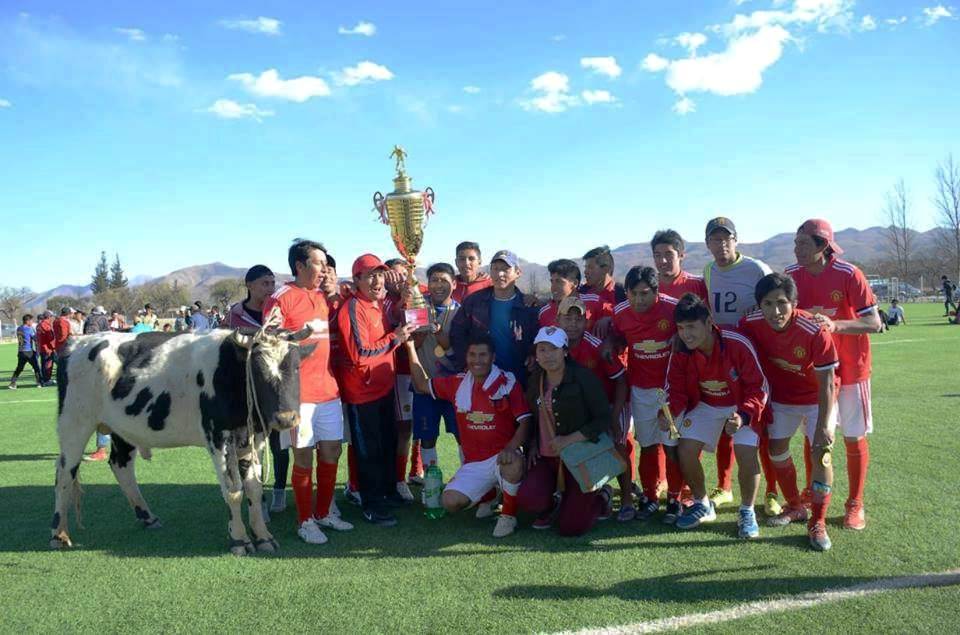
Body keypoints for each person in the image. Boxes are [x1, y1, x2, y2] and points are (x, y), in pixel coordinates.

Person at [787, 219, 881, 531]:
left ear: (822, 246)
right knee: (813, 436)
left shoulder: (849, 274)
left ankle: (855, 503)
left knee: (853, 436)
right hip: (813, 372)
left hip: (852, 369)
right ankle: (812, 491)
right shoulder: (790, 276)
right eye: (796, 242)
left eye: (803, 244)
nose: (796, 249)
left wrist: (835, 325)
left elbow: (874, 323)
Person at [739, 273, 839, 551]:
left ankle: (817, 522)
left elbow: (828, 383)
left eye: (782, 303)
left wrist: (822, 425)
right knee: (777, 450)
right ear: (759, 305)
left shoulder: (814, 330)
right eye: (768, 303)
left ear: (794, 303)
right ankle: (795, 505)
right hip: (782, 398)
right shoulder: (750, 323)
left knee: (822, 454)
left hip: (818, 398)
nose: (775, 311)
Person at [263, 241, 354, 544]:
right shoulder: (280, 299)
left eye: (327, 263)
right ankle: (305, 521)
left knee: (331, 451)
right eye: (318, 263)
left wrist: (334, 291)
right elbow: (269, 346)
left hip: (329, 391)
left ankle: (325, 511)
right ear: (299, 266)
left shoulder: (322, 296)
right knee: (303, 459)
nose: (324, 269)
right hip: (297, 396)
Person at [661, 294, 768, 539]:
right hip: (706, 404)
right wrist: (668, 413)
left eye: (691, 327)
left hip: (740, 405)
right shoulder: (680, 349)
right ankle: (702, 504)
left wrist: (743, 415)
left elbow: (759, 386)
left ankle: (747, 511)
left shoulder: (737, 342)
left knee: (745, 452)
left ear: (709, 323)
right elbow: (674, 389)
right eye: (680, 328)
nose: (686, 334)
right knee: (685, 449)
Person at [407, 333, 529, 537]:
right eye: (472, 355)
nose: (477, 360)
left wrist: (510, 448)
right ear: (466, 357)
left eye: (483, 355)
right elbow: (421, 384)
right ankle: (490, 495)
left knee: (514, 462)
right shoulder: (457, 383)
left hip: (502, 457)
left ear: (493, 358)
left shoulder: (508, 383)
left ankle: (508, 516)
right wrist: (410, 347)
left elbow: (526, 422)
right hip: (474, 463)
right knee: (450, 502)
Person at [701, 217, 779, 517]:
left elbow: (777, 298)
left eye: (726, 238)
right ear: (707, 243)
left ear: (736, 240)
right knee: (725, 422)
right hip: (724, 356)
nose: (721, 245)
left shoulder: (757, 269)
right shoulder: (708, 271)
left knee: (762, 425)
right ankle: (724, 486)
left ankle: (772, 491)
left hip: (757, 355)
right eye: (714, 239)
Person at [337, 253, 417, 527]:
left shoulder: (378, 305)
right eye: (370, 275)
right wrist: (396, 337)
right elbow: (360, 352)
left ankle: (387, 492)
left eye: (380, 274)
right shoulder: (352, 308)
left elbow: (395, 316)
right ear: (356, 279)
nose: (377, 280)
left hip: (383, 387)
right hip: (362, 392)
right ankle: (372, 504)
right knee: (368, 450)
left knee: (386, 444)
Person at [516, 326, 614, 536]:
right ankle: (552, 505)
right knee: (528, 499)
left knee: (572, 527)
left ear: (565, 352)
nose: (548, 355)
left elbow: (603, 418)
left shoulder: (583, 377)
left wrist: (569, 439)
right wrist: (533, 443)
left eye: (554, 349)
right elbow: (531, 416)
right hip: (546, 456)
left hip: (580, 457)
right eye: (542, 349)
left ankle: (602, 497)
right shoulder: (535, 379)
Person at [609, 266, 684, 523]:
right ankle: (650, 497)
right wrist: (609, 340)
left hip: (672, 389)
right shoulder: (620, 313)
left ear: (656, 292)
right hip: (640, 389)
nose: (639, 300)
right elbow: (615, 335)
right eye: (633, 294)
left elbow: (696, 329)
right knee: (648, 445)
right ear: (627, 293)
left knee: (673, 446)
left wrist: (680, 336)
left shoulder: (674, 309)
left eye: (645, 294)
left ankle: (675, 498)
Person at [558, 297, 633, 521]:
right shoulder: (554, 345)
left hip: (611, 402)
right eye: (567, 318)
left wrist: (613, 415)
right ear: (557, 319)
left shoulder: (597, 347)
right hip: (580, 409)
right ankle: (595, 491)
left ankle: (627, 500)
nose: (572, 324)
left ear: (586, 322)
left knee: (619, 444)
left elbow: (621, 381)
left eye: (578, 319)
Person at [226, 264, 291, 514]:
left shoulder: (278, 312)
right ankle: (258, 499)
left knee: (279, 443)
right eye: (265, 283)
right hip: (246, 392)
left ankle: (279, 492)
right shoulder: (234, 315)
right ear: (249, 285)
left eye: (272, 283)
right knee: (251, 447)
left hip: (273, 390)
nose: (270, 288)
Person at [450, 250, 538, 386]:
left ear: (518, 273)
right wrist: (466, 362)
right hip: (483, 376)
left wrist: (533, 356)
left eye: (505, 269)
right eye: (495, 269)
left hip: (519, 377)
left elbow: (536, 338)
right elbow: (457, 333)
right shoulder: (474, 301)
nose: (499, 274)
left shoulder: (528, 307)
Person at [409, 263, 462, 473]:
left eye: (444, 280)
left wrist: (442, 338)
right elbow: (413, 345)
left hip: (453, 387)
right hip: (424, 385)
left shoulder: (461, 313)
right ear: (427, 283)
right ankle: (432, 485)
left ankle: (467, 480)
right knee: (427, 437)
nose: (438, 285)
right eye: (434, 280)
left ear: (454, 284)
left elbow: (461, 352)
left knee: (462, 436)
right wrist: (419, 335)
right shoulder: (418, 308)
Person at [382, 258, 424, 500]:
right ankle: (398, 479)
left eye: (402, 274)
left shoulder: (417, 293)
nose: (399, 279)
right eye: (393, 275)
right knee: (403, 427)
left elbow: (419, 336)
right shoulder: (383, 301)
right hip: (397, 371)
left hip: (421, 367)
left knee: (420, 422)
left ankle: (415, 469)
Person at [537, 259, 603, 332]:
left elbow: (614, 323)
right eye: (552, 282)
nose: (553, 287)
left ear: (575, 283)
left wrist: (609, 319)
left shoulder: (595, 302)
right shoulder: (544, 313)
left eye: (559, 282)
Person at [82, 305, 112, 461]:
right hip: (106, 364)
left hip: (94, 366)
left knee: (101, 410)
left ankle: (102, 449)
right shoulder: (103, 321)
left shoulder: (88, 320)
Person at [580, 245, 627, 338]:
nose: (585, 272)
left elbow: (632, 319)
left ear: (606, 269)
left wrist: (612, 319)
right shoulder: (582, 293)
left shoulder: (622, 293)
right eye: (585, 267)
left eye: (590, 267)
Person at [651, 229, 708, 302]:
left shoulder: (698, 284)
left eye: (668, 255)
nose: (663, 261)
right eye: (658, 255)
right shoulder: (648, 288)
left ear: (681, 255)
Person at [9, 314, 41, 389]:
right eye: (31, 321)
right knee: (36, 367)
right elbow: (35, 339)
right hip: (28, 351)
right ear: (27, 321)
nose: (32, 322)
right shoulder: (29, 329)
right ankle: (39, 382)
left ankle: (12, 383)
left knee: (19, 368)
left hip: (20, 351)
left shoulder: (19, 328)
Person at [35, 310, 56, 386]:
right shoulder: (46, 325)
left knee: (44, 364)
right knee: (48, 365)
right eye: (52, 316)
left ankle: (44, 380)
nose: (52, 318)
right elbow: (50, 338)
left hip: (42, 348)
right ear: (49, 317)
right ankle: (46, 380)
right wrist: (54, 347)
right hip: (48, 349)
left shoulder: (39, 325)